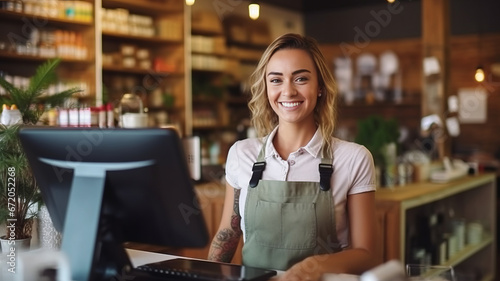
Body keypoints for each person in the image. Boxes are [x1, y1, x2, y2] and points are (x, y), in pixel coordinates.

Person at [207, 33, 379, 280]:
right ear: (266, 88)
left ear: (320, 87)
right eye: (276, 80)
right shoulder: (240, 154)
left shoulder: (354, 158)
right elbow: (228, 233)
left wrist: (313, 267)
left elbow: (368, 254)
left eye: (300, 78)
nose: (288, 91)